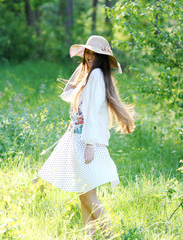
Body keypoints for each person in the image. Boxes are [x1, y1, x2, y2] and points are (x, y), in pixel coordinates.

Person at [38, 35, 135, 238]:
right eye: (87, 53)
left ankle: (111, 236)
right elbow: (67, 94)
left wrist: (90, 144)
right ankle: (88, 236)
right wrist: (83, 67)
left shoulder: (97, 76)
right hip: (78, 141)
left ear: (102, 58)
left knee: (89, 197)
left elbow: (92, 111)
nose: (90, 56)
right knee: (83, 195)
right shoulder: (91, 75)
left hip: (86, 142)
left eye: (94, 54)